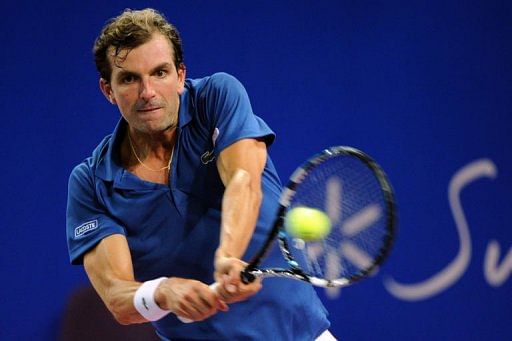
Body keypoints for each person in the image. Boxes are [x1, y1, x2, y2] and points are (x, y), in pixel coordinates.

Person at [66, 8, 333, 340]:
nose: (147, 91)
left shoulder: (215, 97)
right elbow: (117, 297)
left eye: (160, 72)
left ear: (180, 75)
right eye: (130, 79)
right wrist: (162, 291)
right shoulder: (90, 182)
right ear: (108, 90)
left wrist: (228, 255)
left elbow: (243, 180)